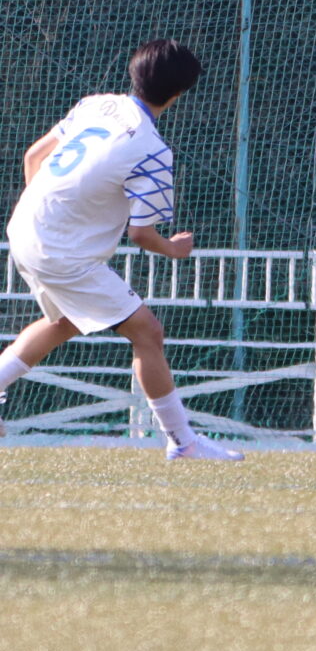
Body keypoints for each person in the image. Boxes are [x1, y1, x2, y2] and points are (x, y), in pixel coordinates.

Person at [0, 40, 239, 460]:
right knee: (148, 332)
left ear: (135, 72)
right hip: (61, 253)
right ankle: (183, 442)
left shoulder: (96, 104)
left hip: (23, 228)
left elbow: (34, 156)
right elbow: (142, 234)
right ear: (178, 94)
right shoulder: (152, 150)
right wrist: (175, 249)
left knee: (65, 322)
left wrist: (50, 215)